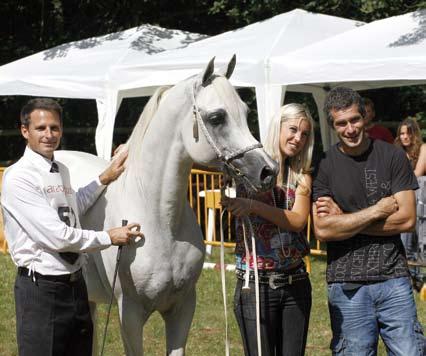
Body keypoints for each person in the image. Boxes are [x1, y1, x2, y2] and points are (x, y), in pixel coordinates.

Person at [1, 98, 144, 356]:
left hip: (76, 286)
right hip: (42, 290)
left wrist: (104, 178)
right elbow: (57, 237)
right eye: (41, 128)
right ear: (25, 131)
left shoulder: (61, 169)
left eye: (54, 128)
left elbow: (73, 204)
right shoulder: (19, 177)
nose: (49, 134)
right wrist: (109, 237)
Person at [312, 87, 425, 355]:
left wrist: (345, 220)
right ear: (333, 125)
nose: (350, 128)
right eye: (341, 123)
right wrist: (377, 210)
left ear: (365, 117)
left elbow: (407, 219)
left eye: (354, 119)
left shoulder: (392, 156)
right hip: (346, 285)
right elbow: (323, 229)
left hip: (393, 280)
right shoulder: (324, 164)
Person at [222, 103, 314, 356]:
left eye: (304, 134)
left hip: (296, 282)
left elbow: (297, 221)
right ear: (278, 127)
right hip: (255, 286)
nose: (298, 138)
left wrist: (252, 205)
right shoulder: (246, 166)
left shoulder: (302, 176)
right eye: (293, 129)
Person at [395, 117, 426, 292]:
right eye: (401, 133)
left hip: (420, 201)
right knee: (404, 240)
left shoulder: (423, 148)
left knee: (419, 240)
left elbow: (417, 174)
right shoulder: (397, 152)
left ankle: (418, 278)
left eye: (408, 133)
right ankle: (408, 277)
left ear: (415, 134)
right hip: (402, 201)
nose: (404, 137)